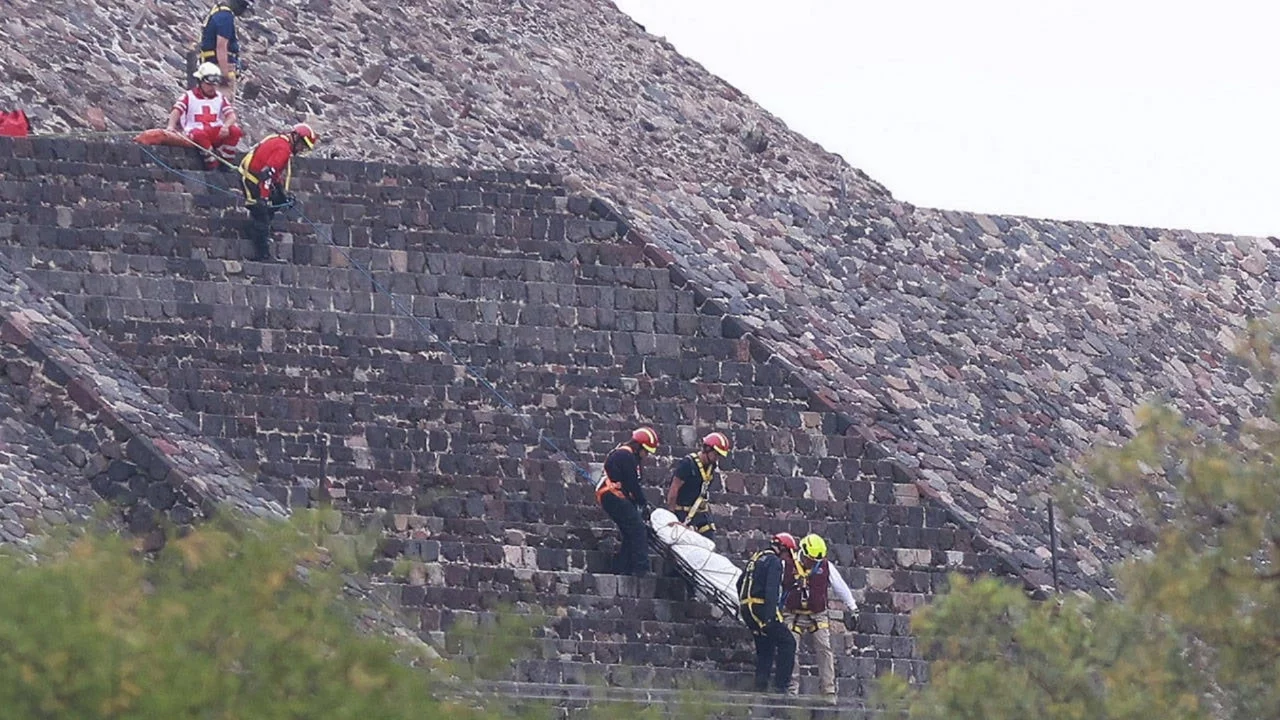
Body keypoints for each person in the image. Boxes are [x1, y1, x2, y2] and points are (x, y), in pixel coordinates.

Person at [782, 533, 859, 704]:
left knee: (825, 648)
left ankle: (828, 691)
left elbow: (840, 586)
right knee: (790, 649)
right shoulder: (787, 564)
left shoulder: (825, 566)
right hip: (792, 613)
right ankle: (792, 689)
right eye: (810, 559)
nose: (813, 563)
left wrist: (853, 607)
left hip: (817, 613)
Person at [239, 123, 318, 262]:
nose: (301, 149)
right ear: (296, 138)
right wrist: (263, 198)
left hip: (255, 178)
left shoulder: (279, 140)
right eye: (302, 145)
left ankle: (258, 228)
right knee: (261, 213)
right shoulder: (283, 150)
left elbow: (273, 174)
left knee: (276, 200)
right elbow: (267, 174)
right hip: (252, 180)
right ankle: (262, 253)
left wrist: (282, 193)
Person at [737, 532, 797, 694]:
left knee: (766, 648)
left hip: (747, 610)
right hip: (762, 609)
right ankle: (781, 687)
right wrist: (770, 617)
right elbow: (771, 590)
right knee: (788, 643)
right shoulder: (774, 562)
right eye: (787, 554)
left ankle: (760, 687)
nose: (787, 559)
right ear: (783, 549)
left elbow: (739, 582)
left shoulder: (755, 558)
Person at [595, 427, 659, 577]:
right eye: (646, 451)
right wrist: (643, 503)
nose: (646, 455)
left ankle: (622, 567)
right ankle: (641, 568)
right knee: (638, 529)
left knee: (630, 531)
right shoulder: (626, 456)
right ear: (638, 447)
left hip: (612, 496)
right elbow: (632, 484)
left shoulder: (626, 455)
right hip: (612, 496)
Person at [166, 63, 243, 171]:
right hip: (195, 130)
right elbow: (176, 111)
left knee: (235, 131)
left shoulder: (220, 98)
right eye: (209, 84)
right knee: (199, 134)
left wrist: (226, 126)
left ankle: (225, 161)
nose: (212, 87)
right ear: (200, 81)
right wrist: (170, 127)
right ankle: (212, 163)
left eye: (215, 84)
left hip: (215, 131)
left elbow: (231, 116)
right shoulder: (189, 96)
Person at [665, 431, 731, 541]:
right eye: (716, 454)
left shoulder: (711, 466)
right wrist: (671, 515)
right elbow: (674, 488)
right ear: (707, 449)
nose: (717, 458)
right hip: (682, 511)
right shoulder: (687, 464)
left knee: (709, 539)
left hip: (699, 512)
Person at [194, 0, 252, 101]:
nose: (244, 9)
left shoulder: (217, 12)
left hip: (210, 65)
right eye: (243, 4)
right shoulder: (225, 17)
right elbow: (221, 46)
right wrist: (225, 77)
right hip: (219, 67)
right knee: (223, 107)